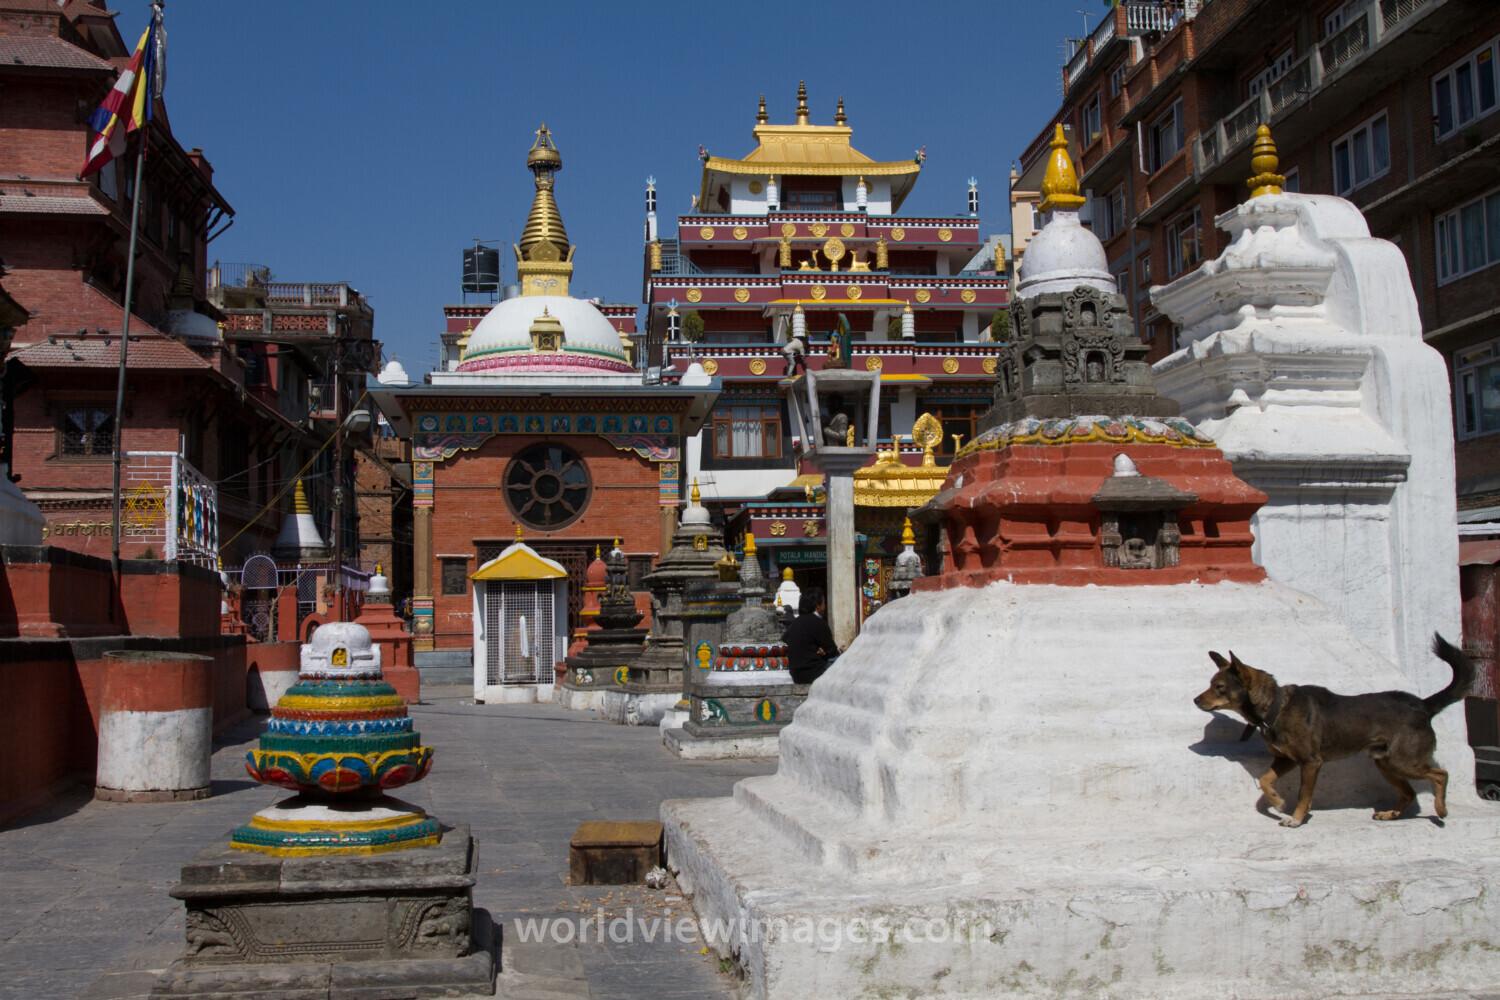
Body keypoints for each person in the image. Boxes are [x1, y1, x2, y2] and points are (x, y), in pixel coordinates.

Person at [786, 587, 839, 685]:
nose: (824, 606)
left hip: (796, 674)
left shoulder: (795, 622)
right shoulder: (818, 622)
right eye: (823, 603)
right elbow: (832, 652)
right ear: (818, 606)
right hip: (813, 672)